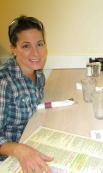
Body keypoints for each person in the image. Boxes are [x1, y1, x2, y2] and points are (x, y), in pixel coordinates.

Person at [0, 16, 53, 172]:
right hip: (11, 159)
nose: (36, 52)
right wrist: (19, 150)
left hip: (34, 141)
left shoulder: (39, 74)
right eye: (26, 46)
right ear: (13, 49)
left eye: (40, 44)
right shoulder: (4, 82)